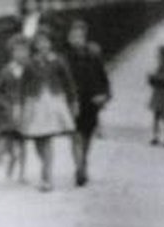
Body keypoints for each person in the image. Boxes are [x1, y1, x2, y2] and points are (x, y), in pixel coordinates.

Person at [20, 26, 76, 191]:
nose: (43, 45)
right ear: (35, 45)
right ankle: (45, 166)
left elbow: (68, 82)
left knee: (48, 138)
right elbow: (23, 85)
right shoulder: (30, 63)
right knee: (38, 140)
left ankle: (47, 177)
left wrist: (73, 101)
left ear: (51, 44)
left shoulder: (58, 61)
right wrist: (22, 105)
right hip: (35, 103)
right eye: (39, 42)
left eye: (46, 42)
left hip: (52, 102)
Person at [64, 19, 110, 186]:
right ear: (69, 38)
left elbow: (103, 78)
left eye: (80, 36)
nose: (77, 39)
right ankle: (79, 168)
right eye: (73, 36)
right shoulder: (65, 58)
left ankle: (83, 160)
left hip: (90, 101)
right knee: (75, 135)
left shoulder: (94, 56)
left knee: (87, 136)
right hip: (73, 102)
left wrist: (104, 95)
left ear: (85, 38)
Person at [0, 33, 30, 182]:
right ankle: (11, 157)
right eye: (17, 50)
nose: (20, 54)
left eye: (24, 50)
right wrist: (4, 104)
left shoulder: (30, 69)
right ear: (11, 53)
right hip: (9, 111)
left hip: (25, 109)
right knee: (9, 141)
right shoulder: (6, 70)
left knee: (23, 141)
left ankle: (22, 173)